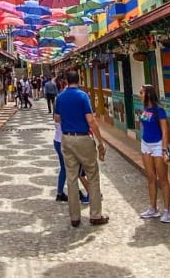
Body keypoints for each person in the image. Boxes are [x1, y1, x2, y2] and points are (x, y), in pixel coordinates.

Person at [53, 69, 108, 227]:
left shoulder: (60, 97)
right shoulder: (83, 96)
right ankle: (95, 215)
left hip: (67, 138)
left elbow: (57, 118)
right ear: (79, 80)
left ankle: (75, 217)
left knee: (71, 177)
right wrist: (100, 141)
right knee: (92, 174)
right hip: (83, 138)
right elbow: (91, 120)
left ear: (67, 81)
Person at [136, 84, 170, 223]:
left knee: (163, 179)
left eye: (141, 92)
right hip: (146, 144)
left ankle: (167, 211)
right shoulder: (145, 109)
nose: (140, 94)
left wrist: (164, 150)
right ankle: (153, 208)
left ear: (148, 94)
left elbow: (164, 131)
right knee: (150, 177)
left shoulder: (159, 110)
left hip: (158, 145)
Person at [53, 117, 90, 203]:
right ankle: (86, 193)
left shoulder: (57, 108)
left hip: (57, 141)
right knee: (75, 169)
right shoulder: (63, 110)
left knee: (65, 168)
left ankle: (60, 193)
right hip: (66, 141)